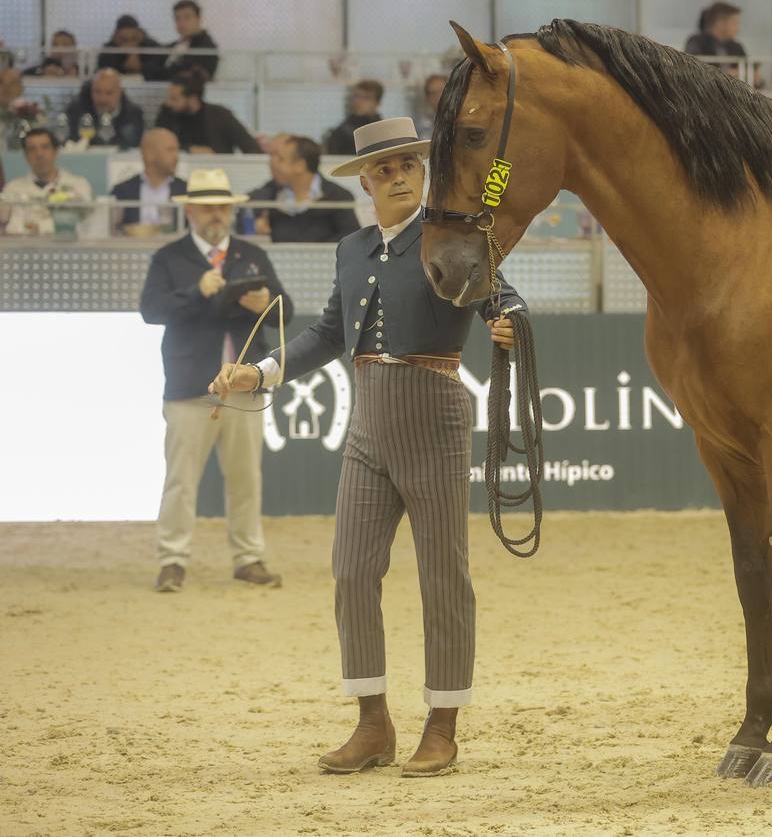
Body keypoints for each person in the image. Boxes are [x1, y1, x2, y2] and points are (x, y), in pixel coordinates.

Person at [208, 118, 524, 777]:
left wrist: (507, 325)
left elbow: (506, 302)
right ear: (366, 184)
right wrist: (258, 373)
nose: (399, 176)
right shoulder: (351, 249)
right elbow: (329, 332)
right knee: (352, 571)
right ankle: (372, 723)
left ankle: (443, 724)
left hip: (435, 415)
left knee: (443, 576)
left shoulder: (453, 236)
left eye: (408, 164)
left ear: (423, 171)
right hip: (367, 421)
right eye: (385, 169)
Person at [139, 169, 292, 593]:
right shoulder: (169, 257)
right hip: (191, 384)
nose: (216, 214)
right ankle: (172, 560)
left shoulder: (252, 254)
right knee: (181, 480)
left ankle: (248, 558)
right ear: (190, 210)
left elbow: (286, 309)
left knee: (246, 479)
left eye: (222, 207)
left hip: (244, 384)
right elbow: (150, 310)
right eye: (207, 207)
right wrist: (196, 291)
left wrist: (267, 302)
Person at [246, 134, 360, 243]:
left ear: (300, 166)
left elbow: (351, 234)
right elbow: (246, 205)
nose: (273, 164)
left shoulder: (337, 196)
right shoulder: (272, 192)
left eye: (281, 159)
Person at [0, 128, 93, 236]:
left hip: (64, 245)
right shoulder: (12, 189)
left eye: (45, 147)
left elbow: (82, 224)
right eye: (32, 149)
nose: (39, 154)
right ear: (25, 156)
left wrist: (39, 227)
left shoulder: (78, 185)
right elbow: (6, 224)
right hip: (21, 245)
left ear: (56, 151)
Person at [155, 70, 260, 155]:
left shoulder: (220, 115)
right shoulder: (166, 114)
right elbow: (157, 145)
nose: (169, 103)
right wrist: (189, 150)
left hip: (218, 171)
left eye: (174, 99)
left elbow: (251, 147)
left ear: (193, 99)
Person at [111, 128, 186, 236]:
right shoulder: (122, 191)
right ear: (149, 154)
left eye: (177, 150)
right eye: (170, 150)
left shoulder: (187, 191)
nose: (176, 157)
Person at [63, 69, 145, 150]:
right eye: (97, 92)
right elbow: (72, 140)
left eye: (109, 93)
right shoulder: (76, 110)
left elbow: (132, 143)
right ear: (91, 90)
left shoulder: (134, 113)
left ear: (119, 92)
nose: (103, 99)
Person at [160, 0, 220, 82]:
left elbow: (187, 74)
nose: (181, 23)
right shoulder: (174, 46)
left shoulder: (206, 47)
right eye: (177, 18)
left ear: (198, 19)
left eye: (187, 17)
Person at [324, 80, 384, 156]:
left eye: (366, 97)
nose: (359, 101)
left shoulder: (383, 130)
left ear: (376, 103)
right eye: (356, 96)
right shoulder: (340, 132)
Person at [97, 14, 163, 79]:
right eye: (124, 39)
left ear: (139, 34)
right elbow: (105, 71)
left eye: (133, 38)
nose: (129, 44)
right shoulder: (109, 50)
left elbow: (156, 70)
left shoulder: (152, 47)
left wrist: (134, 53)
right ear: (116, 36)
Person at [414, 74, 447, 139]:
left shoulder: (460, 120)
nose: (439, 96)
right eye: (433, 93)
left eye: (442, 91)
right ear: (427, 98)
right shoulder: (422, 125)